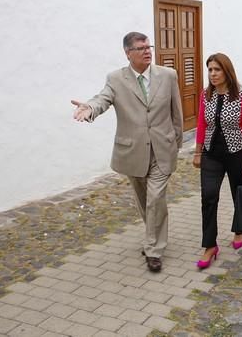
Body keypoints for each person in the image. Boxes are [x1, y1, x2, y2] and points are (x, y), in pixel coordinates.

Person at [71, 32, 183, 273]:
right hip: (132, 151)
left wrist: (177, 141)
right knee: (143, 201)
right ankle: (153, 234)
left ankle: (154, 249)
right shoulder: (116, 79)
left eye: (148, 46)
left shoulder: (168, 75)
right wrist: (89, 108)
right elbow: (103, 99)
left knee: (156, 199)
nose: (147, 51)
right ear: (128, 53)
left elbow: (177, 112)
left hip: (162, 149)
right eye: (141, 48)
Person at [192, 53, 242, 269]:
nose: (212, 74)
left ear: (226, 71)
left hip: (237, 153)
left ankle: (239, 229)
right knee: (208, 197)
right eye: (210, 70)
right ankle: (210, 245)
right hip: (211, 154)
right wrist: (198, 152)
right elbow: (201, 124)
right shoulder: (205, 95)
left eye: (216, 69)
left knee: (238, 194)